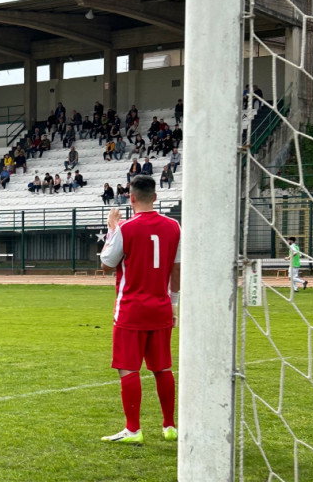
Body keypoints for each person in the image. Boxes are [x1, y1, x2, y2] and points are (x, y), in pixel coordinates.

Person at [99, 175, 181, 444]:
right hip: (161, 307)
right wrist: (174, 303)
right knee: (162, 368)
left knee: (128, 368)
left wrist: (112, 229)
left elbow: (107, 265)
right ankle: (169, 426)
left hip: (131, 309)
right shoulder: (174, 226)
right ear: (155, 197)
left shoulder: (126, 228)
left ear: (130, 198)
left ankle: (133, 430)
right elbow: (177, 268)